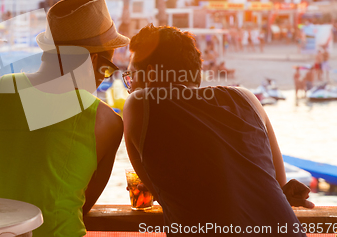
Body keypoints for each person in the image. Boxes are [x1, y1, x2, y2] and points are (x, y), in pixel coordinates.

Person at [0, 0, 129, 237]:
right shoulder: (107, 122)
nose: (104, 78)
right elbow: (80, 205)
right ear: (91, 61)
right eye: (107, 68)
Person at [122, 25, 313, 236]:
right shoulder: (248, 99)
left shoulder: (140, 104)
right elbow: (280, 185)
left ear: (150, 75)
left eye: (130, 77)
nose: (129, 87)